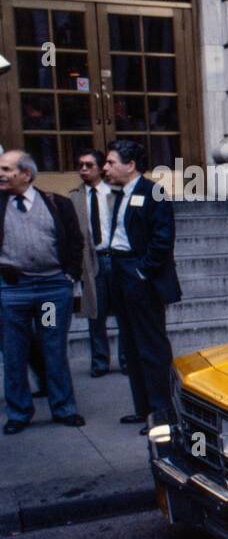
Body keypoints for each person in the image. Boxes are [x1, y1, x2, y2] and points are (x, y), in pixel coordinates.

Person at [0, 150, 87, 435]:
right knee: (14, 352)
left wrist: (70, 275)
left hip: (51, 292)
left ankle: (63, 408)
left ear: (26, 174)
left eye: (6, 169)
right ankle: (19, 412)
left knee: (52, 347)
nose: (0, 174)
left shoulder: (56, 204)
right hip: (14, 292)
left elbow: (76, 242)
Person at [103, 140, 181, 434]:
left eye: (111, 162)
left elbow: (163, 239)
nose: (105, 168)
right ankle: (144, 409)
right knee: (131, 345)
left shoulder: (153, 192)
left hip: (140, 276)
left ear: (130, 165)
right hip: (119, 272)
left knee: (151, 346)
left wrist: (141, 271)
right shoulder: (120, 194)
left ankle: (162, 413)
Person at [71, 149, 128, 377]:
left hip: (115, 258)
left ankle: (126, 360)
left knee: (125, 313)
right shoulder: (74, 197)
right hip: (91, 261)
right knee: (95, 315)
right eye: (80, 165)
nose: (83, 169)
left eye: (88, 165)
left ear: (100, 167)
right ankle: (100, 362)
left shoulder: (116, 193)